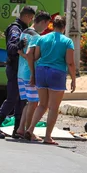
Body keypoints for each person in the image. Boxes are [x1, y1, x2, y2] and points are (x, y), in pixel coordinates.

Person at [25, 16, 76, 145]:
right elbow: (70, 62)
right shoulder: (67, 41)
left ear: (52, 26)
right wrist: (74, 79)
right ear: (64, 27)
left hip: (41, 71)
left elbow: (36, 56)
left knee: (42, 104)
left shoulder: (42, 38)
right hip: (57, 73)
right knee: (53, 107)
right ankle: (48, 137)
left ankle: (30, 129)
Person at [0, 5, 36, 139]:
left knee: (21, 100)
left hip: (19, 69)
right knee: (12, 98)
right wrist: (19, 45)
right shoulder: (16, 28)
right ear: (26, 16)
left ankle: (17, 130)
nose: (31, 21)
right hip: (14, 68)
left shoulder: (22, 29)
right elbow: (11, 47)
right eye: (31, 18)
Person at [14, 11, 52, 139]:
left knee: (29, 103)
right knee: (33, 103)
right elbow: (30, 54)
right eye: (47, 25)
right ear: (42, 22)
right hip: (28, 73)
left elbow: (22, 51)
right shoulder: (36, 36)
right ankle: (28, 131)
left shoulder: (25, 32)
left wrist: (22, 54)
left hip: (20, 72)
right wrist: (33, 74)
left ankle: (20, 129)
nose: (46, 28)